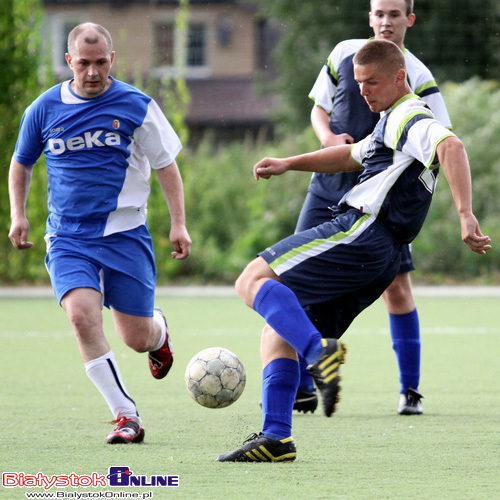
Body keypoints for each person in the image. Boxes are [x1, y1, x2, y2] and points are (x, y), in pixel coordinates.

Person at [217, 39, 491, 462]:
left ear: (400, 78)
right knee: (280, 329)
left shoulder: (409, 114)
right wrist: (289, 162)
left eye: (373, 82)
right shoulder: (388, 122)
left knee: (251, 280)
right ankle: (277, 438)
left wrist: (465, 214)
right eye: (359, 82)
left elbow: (450, 145)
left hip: (361, 232)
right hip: (380, 255)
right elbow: (348, 155)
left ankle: (319, 352)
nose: (364, 92)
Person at [8, 23, 191, 444]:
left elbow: (166, 166)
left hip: (126, 234)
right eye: (84, 63)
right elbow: (22, 163)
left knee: (136, 338)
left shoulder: (136, 105)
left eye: (101, 62)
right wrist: (18, 215)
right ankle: (126, 416)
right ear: (69, 61)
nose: (92, 72)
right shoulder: (44, 108)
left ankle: (159, 331)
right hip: (69, 237)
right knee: (81, 316)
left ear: (113, 59)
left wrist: (178, 222)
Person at [293, 0, 452, 416]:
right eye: (379, 13)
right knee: (295, 282)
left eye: (394, 14)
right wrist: (327, 137)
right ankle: (301, 385)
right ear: (369, 17)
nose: (385, 21)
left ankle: (410, 391)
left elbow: (440, 143)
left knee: (396, 289)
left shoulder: (417, 76)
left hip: (380, 201)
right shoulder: (344, 53)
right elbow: (318, 108)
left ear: (409, 20)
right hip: (327, 186)